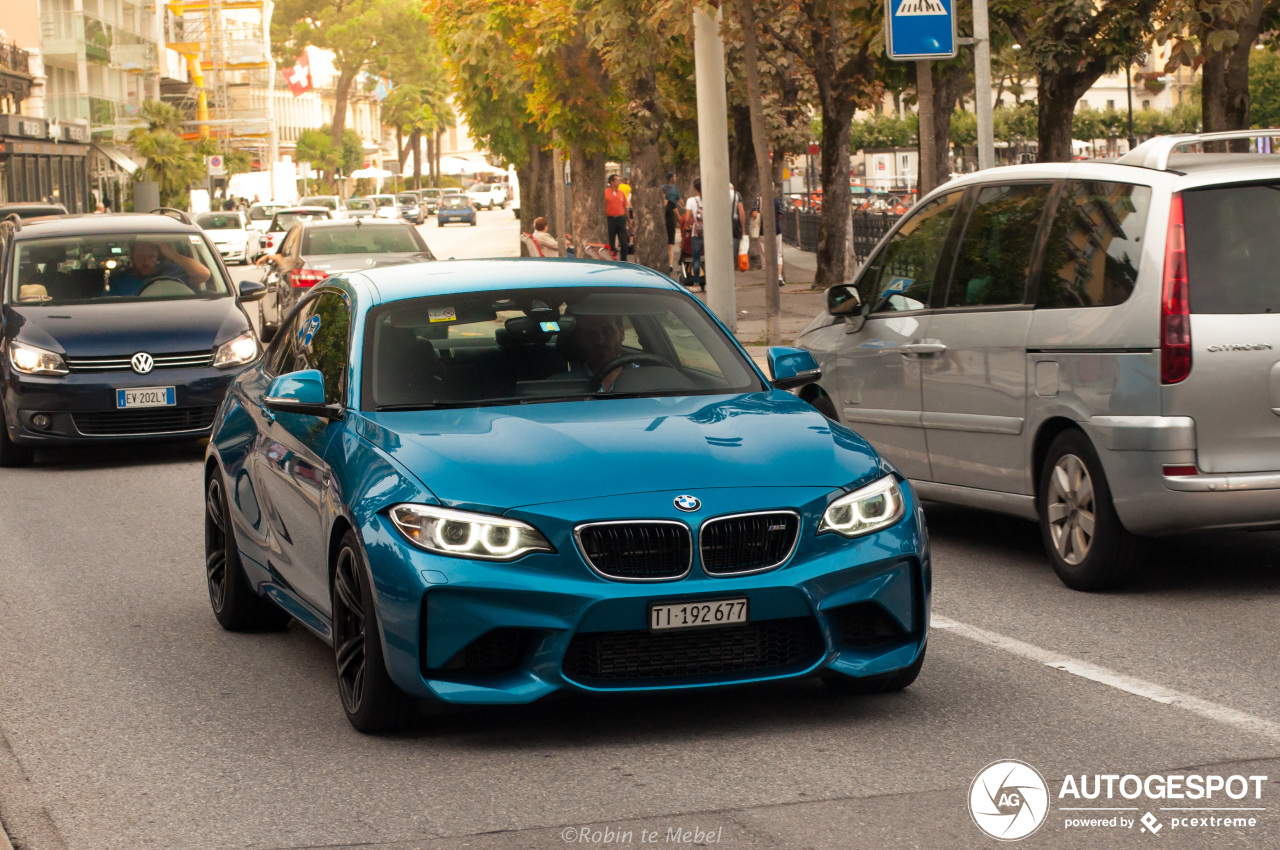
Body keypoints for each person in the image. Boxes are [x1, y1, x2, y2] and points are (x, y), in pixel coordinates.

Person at [109, 240, 211, 296]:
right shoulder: (117, 281)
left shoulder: (173, 272)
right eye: (140, 256)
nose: (146, 262)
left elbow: (204, 274)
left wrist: (169, 252)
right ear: (132, 257)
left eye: (151, 257)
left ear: (158, 257)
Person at [685, 178, 705, 292]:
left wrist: (688, 227)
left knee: (696, 259)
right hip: (709, 233)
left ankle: (696, 284)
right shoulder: (709, 198)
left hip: (696, 233)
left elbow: (687, 218)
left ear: (695, 188)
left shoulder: (691, 201)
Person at [604, 174, 630, 260]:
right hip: (610, 219)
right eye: (617, 181)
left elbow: (625, 206)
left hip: (621, 219)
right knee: (611, 242)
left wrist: (628, 220)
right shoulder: (606, 193)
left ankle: (624, 260)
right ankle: (612, 259)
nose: (619, 182)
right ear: (612, 182)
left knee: (624, 242)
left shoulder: (621, 193)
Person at [664, 172, 681, 271]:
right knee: (666, 246)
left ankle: (670, 264)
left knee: (670, 246)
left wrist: (681, 223)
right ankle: (668, 263)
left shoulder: (671, 203)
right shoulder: (658, 206)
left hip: (670, 225)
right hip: (665, 226)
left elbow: (677, 214)